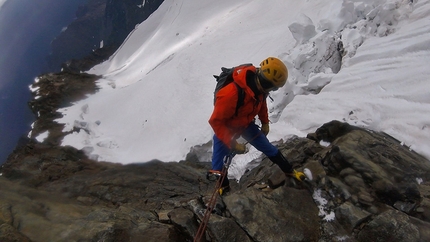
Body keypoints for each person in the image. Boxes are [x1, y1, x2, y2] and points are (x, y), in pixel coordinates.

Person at [208, 57, 305, 192]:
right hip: (227, 128)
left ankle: (290, 171)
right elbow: (216, 121)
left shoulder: (260, 88)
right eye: (269, 86)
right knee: (218, 165)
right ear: (262, 79)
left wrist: (265, 121)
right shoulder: (230, 94)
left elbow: (261, 103)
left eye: (274, 88)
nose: (269, 90)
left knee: (269, 148)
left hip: (246, 124)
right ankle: (223, 189)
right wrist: (232, 143)